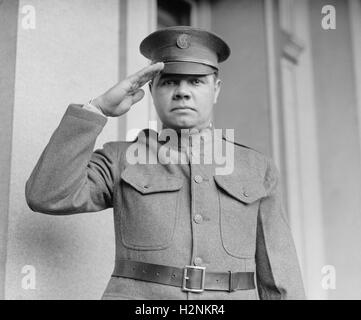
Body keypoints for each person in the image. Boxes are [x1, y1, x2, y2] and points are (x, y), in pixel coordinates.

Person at [25, 26, 305, 300]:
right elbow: (47, 195)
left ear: (216, 89)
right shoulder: (120, 158)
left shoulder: (256, 167)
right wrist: (97, 110)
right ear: (152, 89)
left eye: (196, 81)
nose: (182, 92)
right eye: (170, 81)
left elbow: (280, 274)